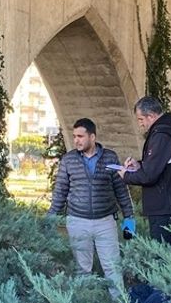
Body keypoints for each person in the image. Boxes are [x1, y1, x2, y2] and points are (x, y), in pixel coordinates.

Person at [48, 118, 136, 291]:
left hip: (106, 222)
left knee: (113, 267)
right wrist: (50, 217)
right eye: (74, 136)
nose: (76, 140)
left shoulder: (110, 157)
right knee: (82, 270)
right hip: (77, 221)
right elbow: (60, 191)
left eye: (80, 136)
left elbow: (121, 189)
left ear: (92, 137)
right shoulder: (68, 160)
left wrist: (129, 217)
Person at [118, 96, 171, 246]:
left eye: (140, 119)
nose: (140, 124)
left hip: (167, 209)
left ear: (151, 116)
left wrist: (126, 175)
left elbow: (149, 176)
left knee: (163, 258)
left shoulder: (161, 136)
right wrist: (140, 165)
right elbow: (164, 163)